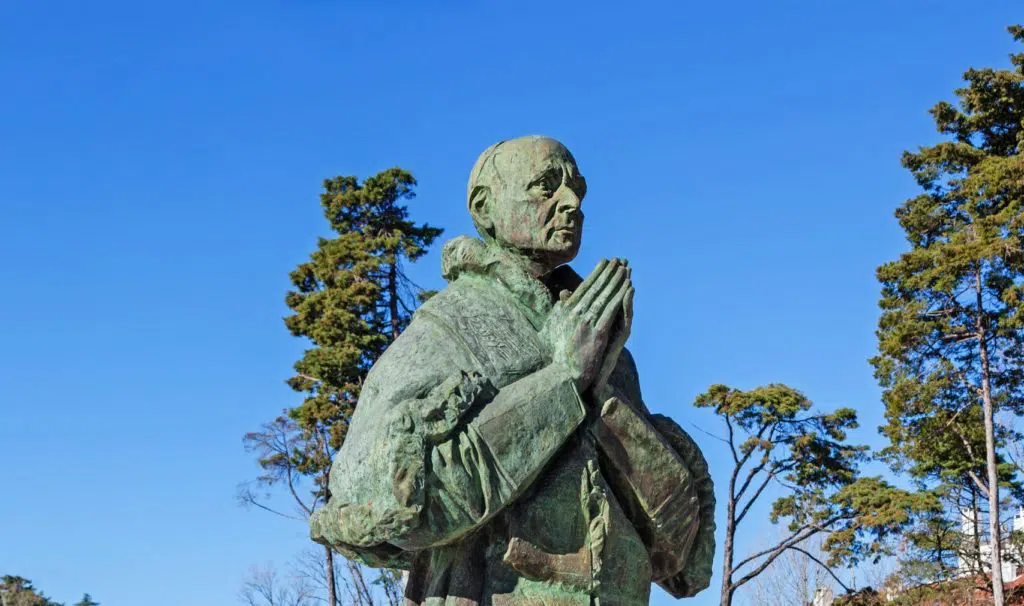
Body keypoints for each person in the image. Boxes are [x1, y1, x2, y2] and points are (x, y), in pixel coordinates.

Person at [310, 136, 715, 605]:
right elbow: (385, 501)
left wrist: (602, 395)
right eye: (547, 187)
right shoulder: (448, 326)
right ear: (485, 209)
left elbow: (677, 558)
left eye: (578, 189)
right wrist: (563, 381)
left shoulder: (603, 341)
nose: (573, 202)